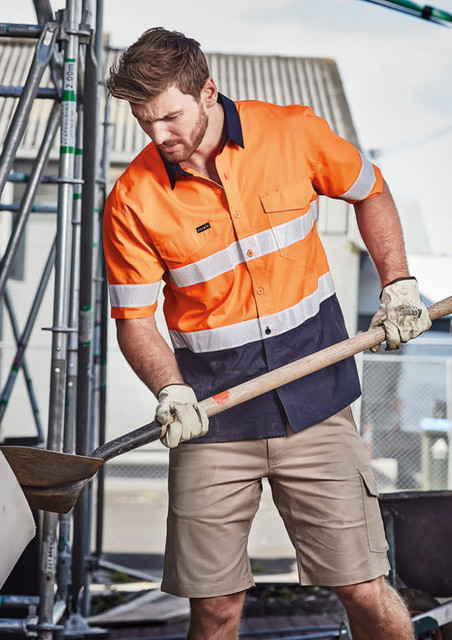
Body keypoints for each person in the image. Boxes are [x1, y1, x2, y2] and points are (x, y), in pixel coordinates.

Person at [104, 27, 431, 640]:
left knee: (362, 588)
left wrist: (398, 284)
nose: (158, 136)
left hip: (318, 404)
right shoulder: (131, 200)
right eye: (143, 121)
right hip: (213, 421)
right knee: (215, 607)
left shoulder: (293, 133)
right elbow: (135, 321)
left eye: (169, 117)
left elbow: (373, 191)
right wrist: (170, 390)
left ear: (207, 92)